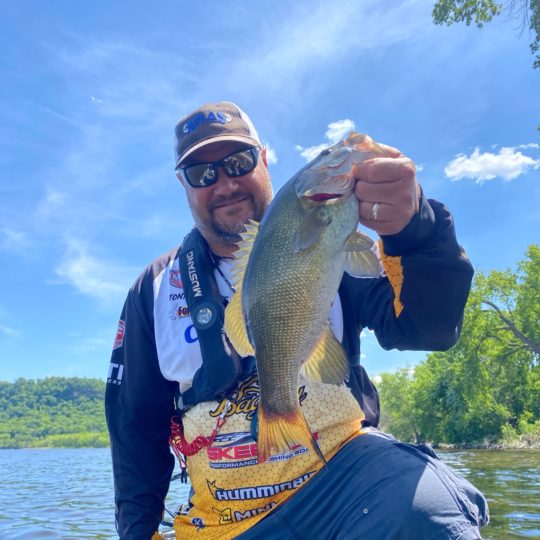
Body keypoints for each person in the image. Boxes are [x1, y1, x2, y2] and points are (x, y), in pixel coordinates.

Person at [105, 101, 489, 540]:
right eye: (202, 174)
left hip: (344, 484)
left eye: (238, 162)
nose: (225, 183)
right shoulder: (152, 290)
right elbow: (134, 427)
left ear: (264, 159)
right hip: (222, 520)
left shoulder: (335, 242)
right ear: (184, 185)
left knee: (430, 510)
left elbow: (429, 329)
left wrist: (416, 229)